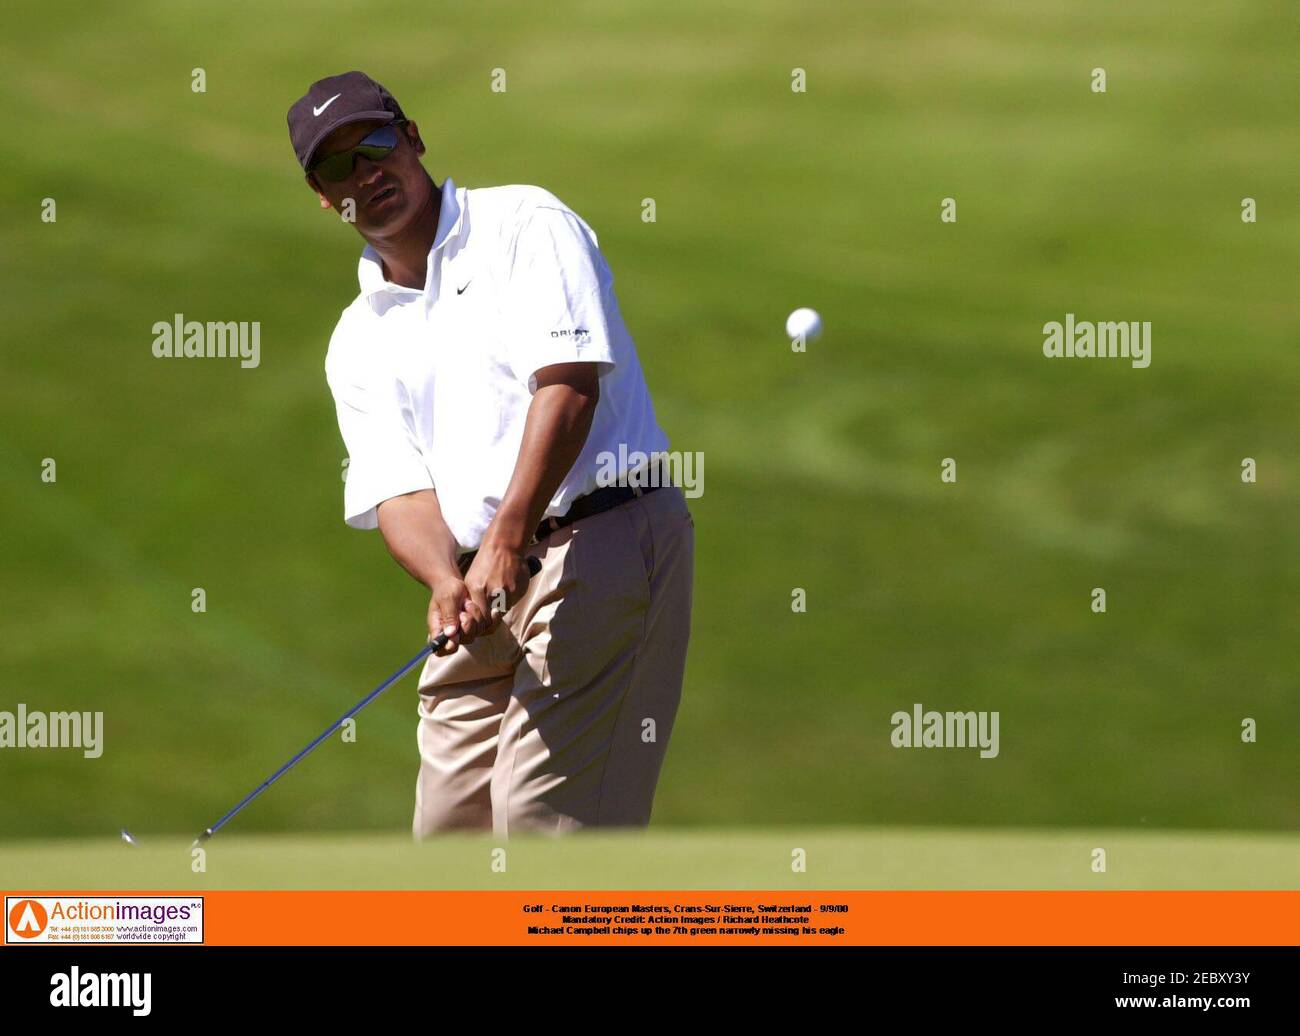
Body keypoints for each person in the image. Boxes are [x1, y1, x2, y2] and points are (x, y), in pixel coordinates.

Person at [286, 71, 695, 836]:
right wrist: (445, 578)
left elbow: (569, 388)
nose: (367, 173)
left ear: (412, 138)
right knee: (449, 837)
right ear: (321, 194)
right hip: (481, 585)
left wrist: (505, 538)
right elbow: (399, 491)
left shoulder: (522, 224)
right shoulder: (356, 337)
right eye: (340, 165)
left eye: (376, 143)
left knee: (540, 827)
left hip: (600, 540)